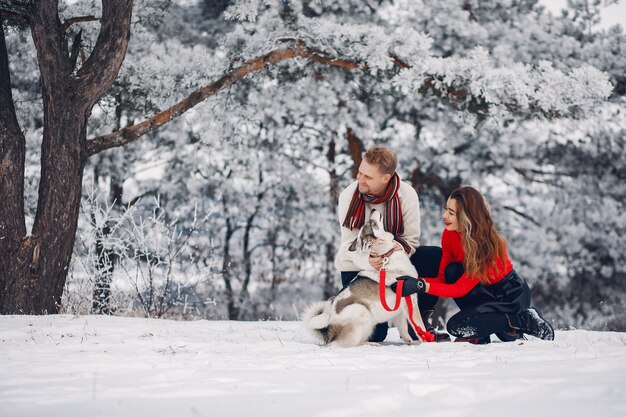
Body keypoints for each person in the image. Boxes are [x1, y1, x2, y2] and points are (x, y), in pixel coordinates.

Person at [394, 186, 555, 344]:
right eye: (446, 209)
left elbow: (459, 289)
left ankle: (525, 318)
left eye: (451, 213)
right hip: (481, 291)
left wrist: (421, 285)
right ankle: (496, 328)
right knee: (452, 271)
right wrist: (413, 282)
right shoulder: (449, 234)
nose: (444, 216)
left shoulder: (486, 245)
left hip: (509, 295)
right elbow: (444, 279)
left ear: (467, 217)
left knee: (457, 327)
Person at [335, 145, 426, 342]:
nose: (359, 179)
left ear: (386, 178)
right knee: (376, 335)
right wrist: (370, 261)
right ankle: (341, 312)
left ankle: (418, 317)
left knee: (432, 256)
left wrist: (389, 255)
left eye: (367, 176)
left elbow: (410, 240)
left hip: (393, 261)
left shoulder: (407, 195)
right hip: (359, 266)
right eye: (360, 172)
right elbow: (349, 245)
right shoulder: (349, 196)